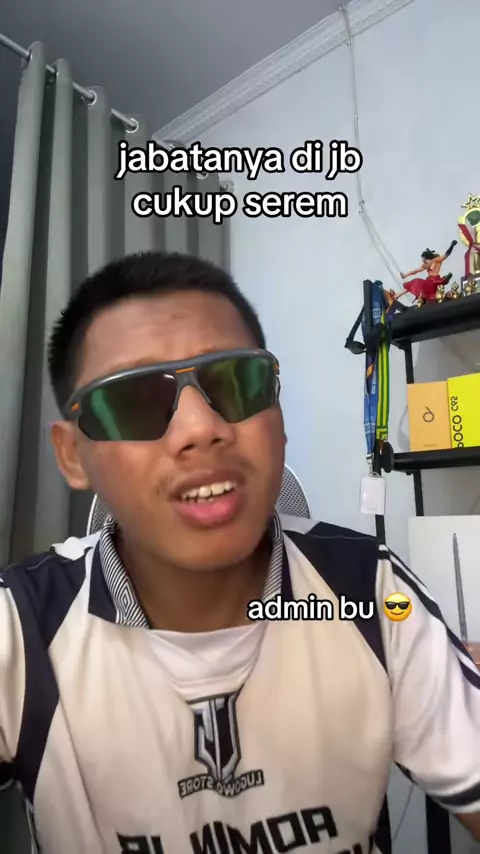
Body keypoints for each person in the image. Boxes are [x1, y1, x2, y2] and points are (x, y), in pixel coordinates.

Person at [0, 251, 479, 854]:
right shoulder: (22, 629)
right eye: (134, 401)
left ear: (278, 416)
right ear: (73, 455)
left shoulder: (369, 590)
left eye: (235, 382)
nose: (200, 428)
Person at [390, 240, 457, 303]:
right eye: (423, 260)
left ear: (428, 258)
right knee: (413, 283)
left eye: (424, 259)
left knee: (416, 282)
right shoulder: (426, 265)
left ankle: (445, 295)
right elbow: (416, 270)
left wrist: (452, 246)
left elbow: (446, 255)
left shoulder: (436, 260)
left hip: (434, 282)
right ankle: (397, 295)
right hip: (429, 281)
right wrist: (405, 275)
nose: (423, 261)